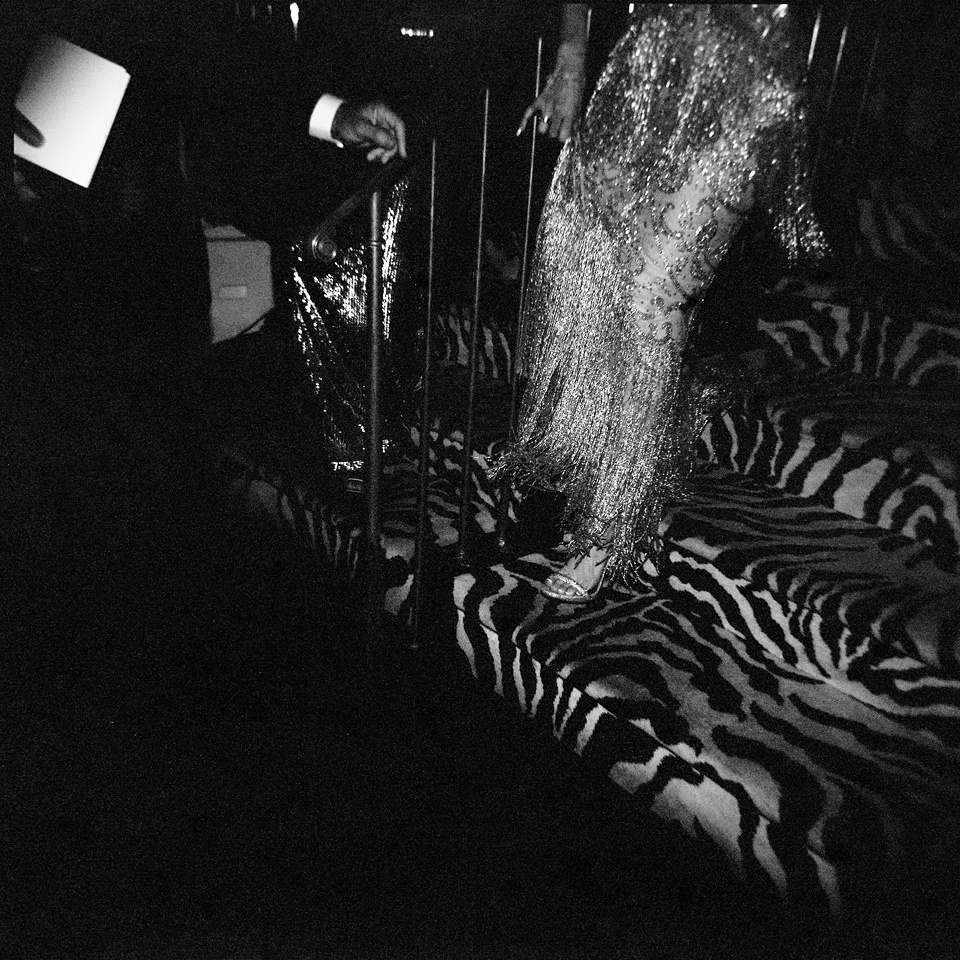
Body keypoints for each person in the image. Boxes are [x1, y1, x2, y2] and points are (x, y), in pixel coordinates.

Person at [6, 1, 407, 631]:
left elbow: (210, 57)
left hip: (147, 248)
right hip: (39, 250)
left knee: (158, 480)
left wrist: (333, 114)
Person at [500, 4, 827, 601]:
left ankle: (612, 520)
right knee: (593, 283)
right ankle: (607, 459)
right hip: (648, 63)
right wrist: (572, 59)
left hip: (745, 75)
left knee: (655, 299)